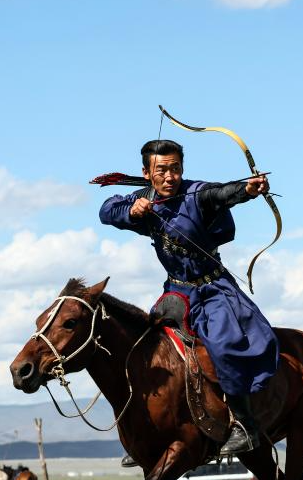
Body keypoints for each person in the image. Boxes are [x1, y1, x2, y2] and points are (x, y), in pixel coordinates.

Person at [99, 139, 279, 462]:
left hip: (213, 290)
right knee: (147, 351)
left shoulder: (196, 194)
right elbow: (106, 210)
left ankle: (244, 424)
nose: (170, 177)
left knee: (224, 344)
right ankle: (147, 435)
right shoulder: (145, 198)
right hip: (176, 292)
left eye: (176, 169)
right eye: (161, 170)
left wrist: (248, 190)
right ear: (147, 173)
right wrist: (131, 210)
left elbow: (222, 193)